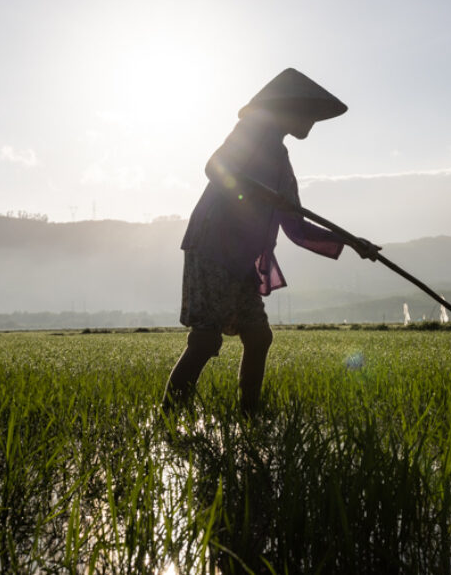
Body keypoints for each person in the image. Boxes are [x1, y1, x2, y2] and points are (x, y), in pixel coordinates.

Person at [162, 68, 380, 415]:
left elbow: (297, 226)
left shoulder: (281, 159)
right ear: (290, 108)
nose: (312, 123)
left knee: (259, 337)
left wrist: (352, 242)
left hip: (241, 258)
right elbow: (216, 167)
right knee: (205, 340)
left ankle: (249, 416)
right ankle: (169, 418)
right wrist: (260, 192)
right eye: (309, 114)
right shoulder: (253, 128)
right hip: (214, 246)